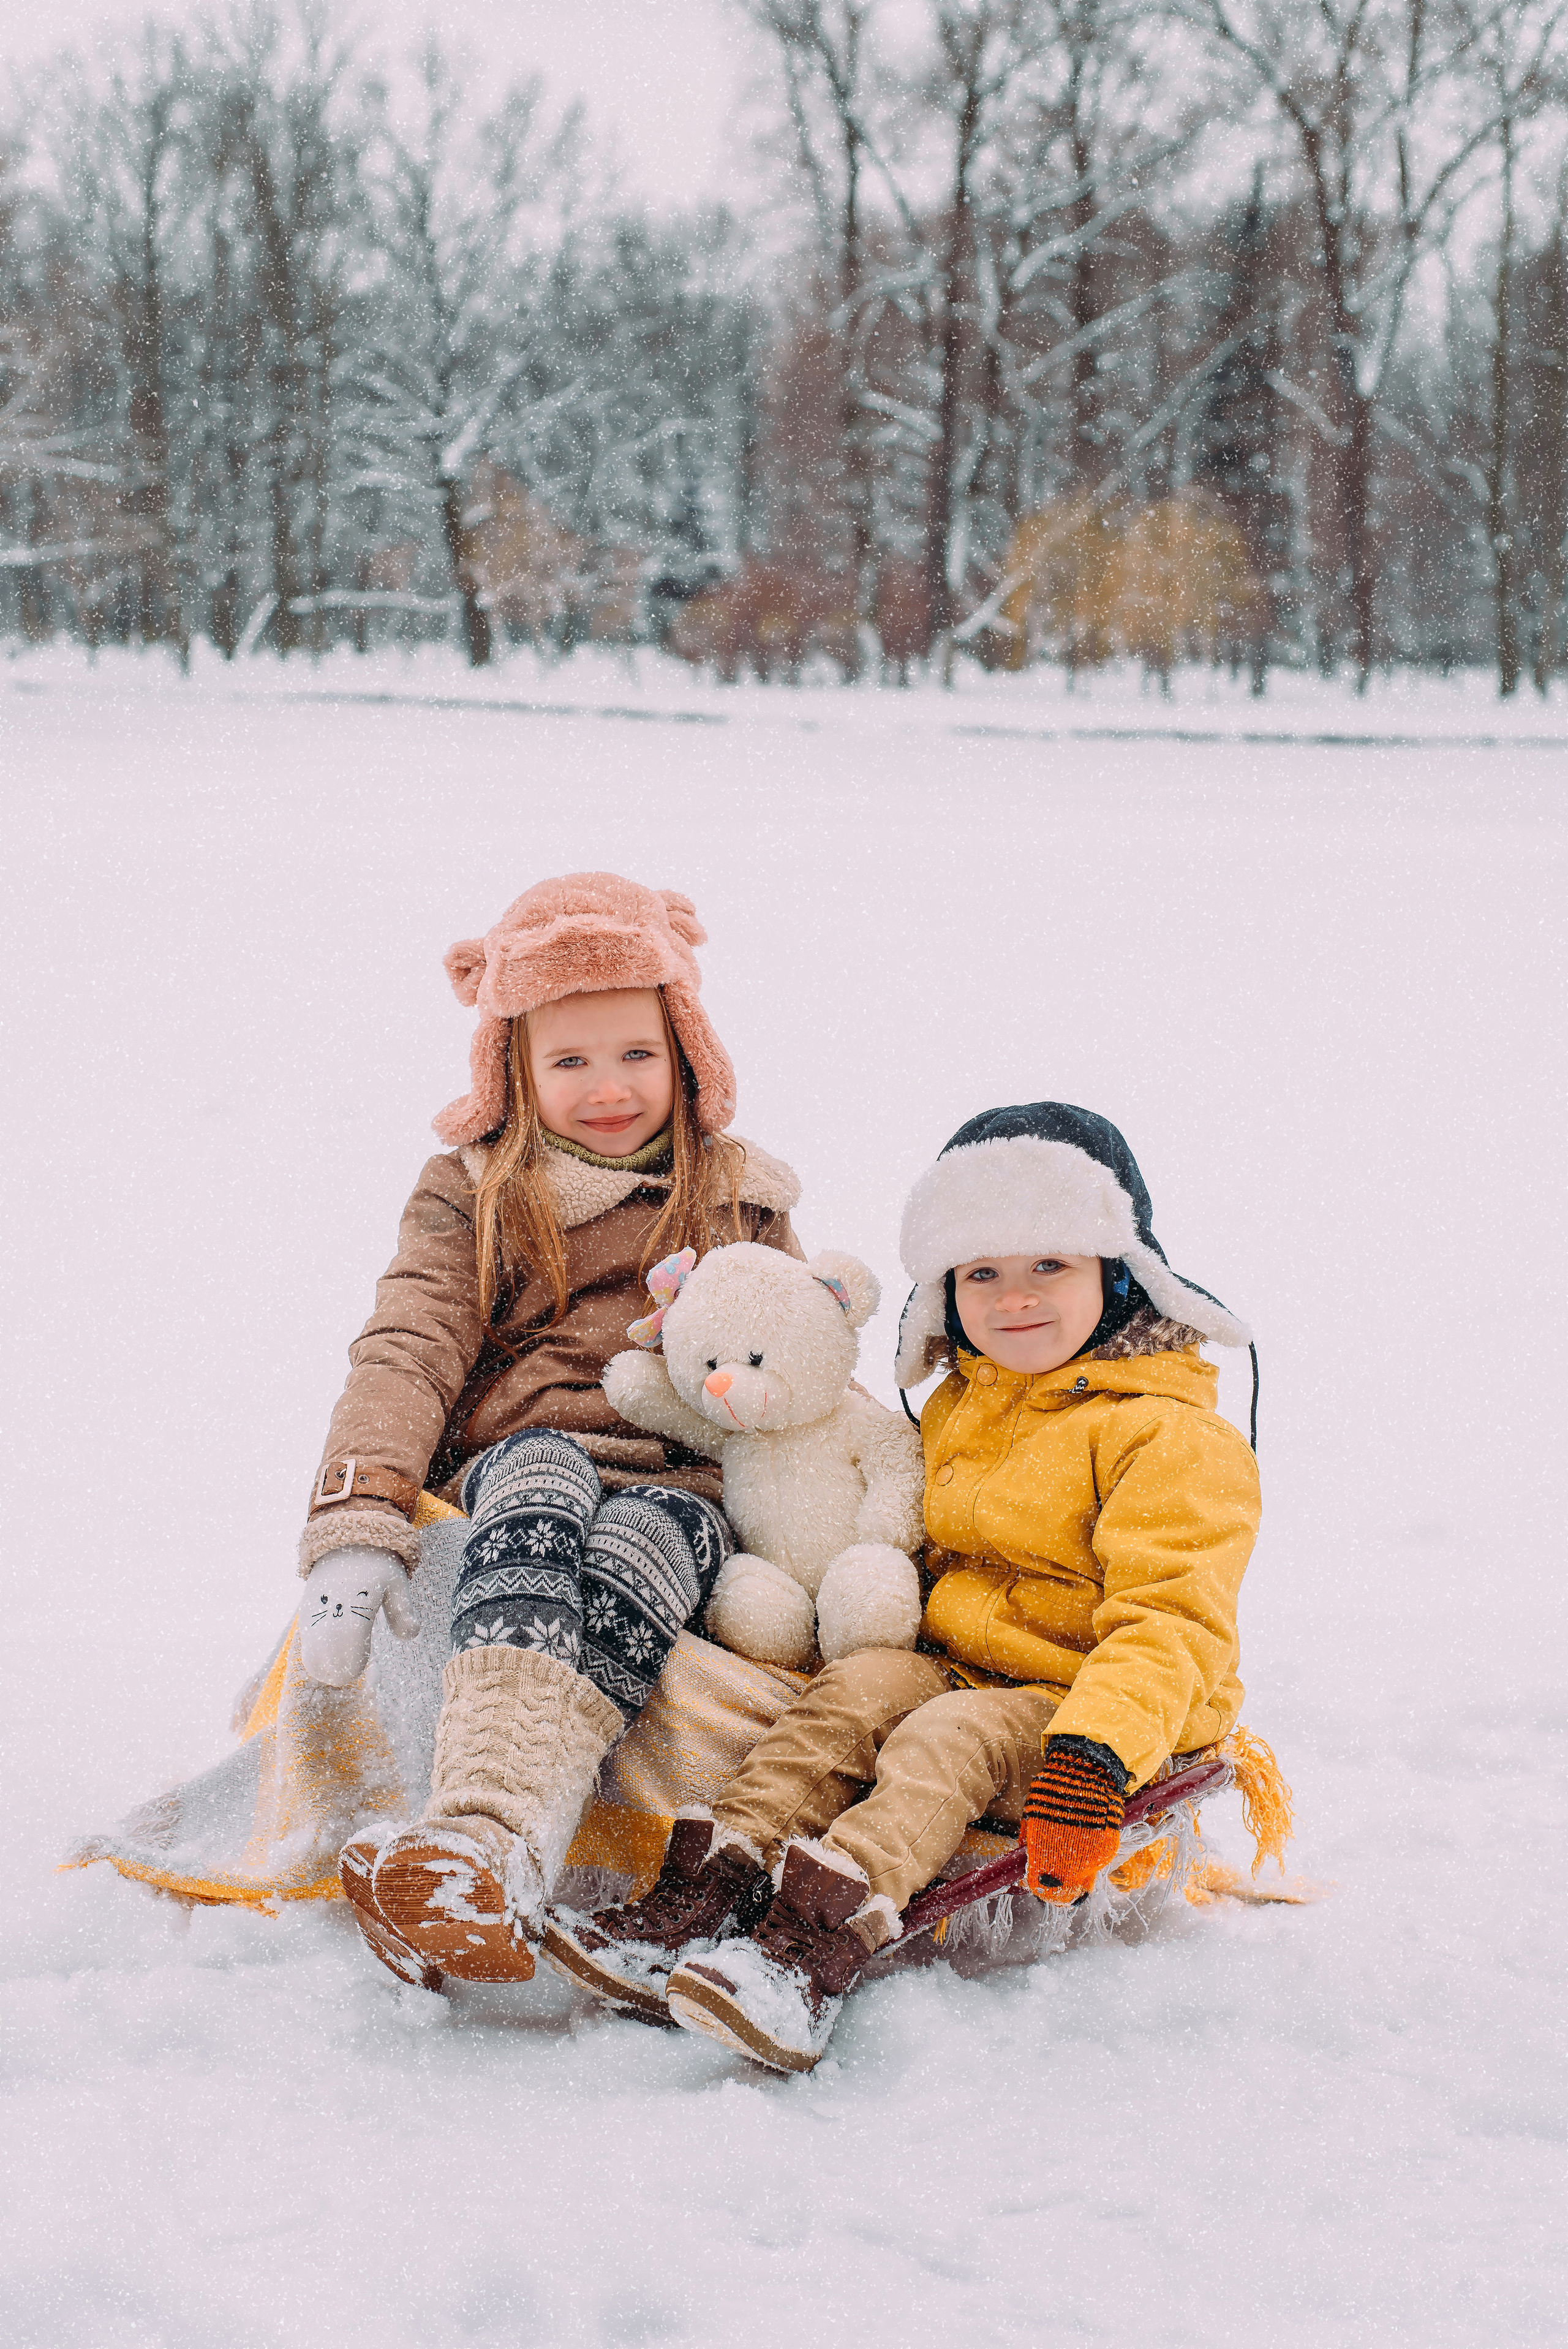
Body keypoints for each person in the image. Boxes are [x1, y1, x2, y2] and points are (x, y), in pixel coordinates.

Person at [548, 1102, 1261, 2071]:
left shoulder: (1172, 1437)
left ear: (1120, 1270)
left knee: (941, 1738)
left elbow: (1172, 1621)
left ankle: (809, 1950)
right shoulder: (971, 1401)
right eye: (982, 1273)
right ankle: (706, 1892)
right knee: (851, 1693)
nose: (1016, 1297)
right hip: (963, 1663)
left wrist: (1096, 1756)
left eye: (1050, 1262)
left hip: (1088, 1704)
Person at [296, 872, 804, 1985]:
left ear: (686, 1052)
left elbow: (803, 1370)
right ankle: (477, 1827)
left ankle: (505, 1847)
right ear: (513, 1070)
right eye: (569, 1062)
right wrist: (357, 1510)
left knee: (647, 1545)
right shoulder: (476, 1191)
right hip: (525, 1456)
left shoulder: (740, 1195)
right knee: (539, 1487)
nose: (610, 1088)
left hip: (686, 1481)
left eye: (636, 1054)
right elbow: (407, 1345)